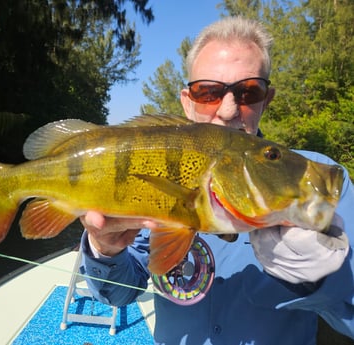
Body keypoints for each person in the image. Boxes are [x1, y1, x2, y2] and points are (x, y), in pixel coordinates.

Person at [79, 16, 354, 345]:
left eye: (248, 91)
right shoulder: (156, 167)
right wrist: (105, 251)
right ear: (186, 101)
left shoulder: (316, 180)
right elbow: (119, 293)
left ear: (266, 99)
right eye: (207, 91)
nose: (227, 110)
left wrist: (327, 279)